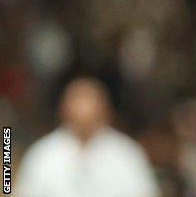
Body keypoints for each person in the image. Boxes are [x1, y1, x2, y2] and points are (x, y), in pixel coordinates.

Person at [15, 78, 160, 197]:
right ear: (63, 108)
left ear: (105, 109)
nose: (83, 108)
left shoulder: (127, 153)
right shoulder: (41, 154)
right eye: (77, 100)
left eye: (89, 100)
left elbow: (145, 192)